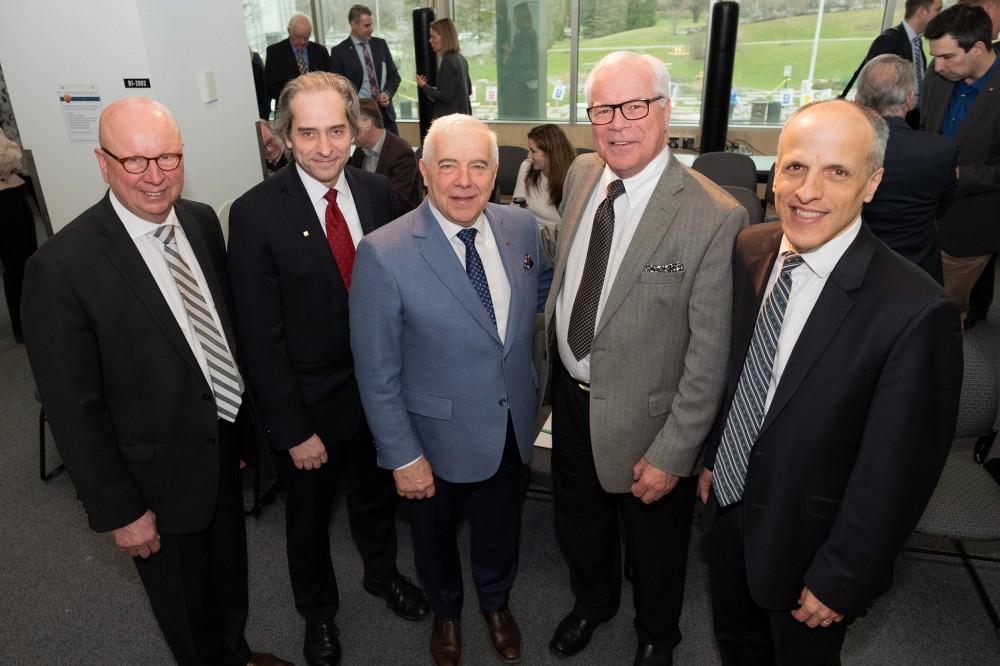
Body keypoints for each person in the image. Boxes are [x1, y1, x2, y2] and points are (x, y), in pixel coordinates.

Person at [20, 98, 291, 666]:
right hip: (152, 485)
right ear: (102, 162)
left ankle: (236, 655)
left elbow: (216, 331)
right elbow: (73, 410)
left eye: (167, 157)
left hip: (218, 451)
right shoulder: (61, 267)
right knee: (187, 613)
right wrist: (120, 510)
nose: (155, 176)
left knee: (229, 581)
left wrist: (237, 434)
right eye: (135, 161)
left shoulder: (197, 220)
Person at [698, 98, 962, 665]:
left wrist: (842, 577)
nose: (807, 190)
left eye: (836, 171)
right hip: (730, 512)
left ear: (872, 184)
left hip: (812, 550)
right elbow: (741, 370)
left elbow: (897, 472)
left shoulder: (915, 312)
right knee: (736, 645)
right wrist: (718, 454)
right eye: (795, 167)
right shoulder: (750, 248)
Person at [543, 52, 747, 666]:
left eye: (634, 107)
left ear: (665, 111)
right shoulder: (582, 173)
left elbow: (708, 357)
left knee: (656, 546)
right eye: (603, 109)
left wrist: (674, 453)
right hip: (572, 401)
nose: (617, 124)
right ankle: (593, 602)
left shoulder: (713, 214)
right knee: (579, 521)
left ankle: (658, 634)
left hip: (651, 423)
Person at [227, 73, 429, 666]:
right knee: (310, 524)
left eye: (336, 130)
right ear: (285, 137)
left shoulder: (374, 192)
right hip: (310, 411)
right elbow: (260, 339)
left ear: (355, 130)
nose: (324, 146)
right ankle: (318, 615)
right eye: (307, 132)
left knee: (374, 500)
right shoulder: (255, 213)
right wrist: (291, 430)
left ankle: (382, 575)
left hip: (379, 400)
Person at [350, 113, 552, 666]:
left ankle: (495, 603)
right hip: (430, 442)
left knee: (500, 530)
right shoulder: (384, 252)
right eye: (448, 166)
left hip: (510, 426)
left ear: (495, 174)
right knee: (435, 543)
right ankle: (446, 613)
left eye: (478, 166)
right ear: (423, 171)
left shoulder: (522, 229)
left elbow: (535, 302)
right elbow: (377, 371)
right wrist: (401, 455)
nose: (464, 180)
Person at [921, 3, 1000, 324]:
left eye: (947, 57)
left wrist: (958, 175)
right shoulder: (937, 74)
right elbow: (926, 130)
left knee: (946, 313)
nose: (938, 67)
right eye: (934, 56)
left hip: (970, 227)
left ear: (978, 48)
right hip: (924, 221)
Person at [855, 54, 956, 284]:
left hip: (851, 261)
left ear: (857, 99)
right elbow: (943, 203)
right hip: (917, 267)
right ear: (909, 99)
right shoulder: (941, 150)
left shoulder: (839, 147)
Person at [843, 0, 942, 126]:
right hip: (888, 123)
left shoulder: (917, 44)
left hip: (910, 120)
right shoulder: (890, 39)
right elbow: (872, 85)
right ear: (922, 12)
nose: (940, 15)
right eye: (937, 10)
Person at [330, 4, 402, 135]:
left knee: (395, 152)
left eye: (371, 24)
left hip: (385, 114)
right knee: (368, 154)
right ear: (353, 25)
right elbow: (337, 88)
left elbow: (394, 76)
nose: (371, 29)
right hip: (360, 115)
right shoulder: (340, 52)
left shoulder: (380, 45)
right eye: (366, 26)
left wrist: (387, 92)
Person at [510, 123, 575, 264]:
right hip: (527, 238)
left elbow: (570, 228)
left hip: (557, 245)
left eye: (533, 151)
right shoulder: (527, 167)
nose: (529, 155)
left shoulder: (573, 177)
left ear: (550, 153)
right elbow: (516, 210)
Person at [350, 98, 421, 215]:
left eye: (351, 126)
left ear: (367, 123)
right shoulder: (359, 152)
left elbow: (395, 204)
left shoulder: (401, 153)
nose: (349, 132)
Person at [0, 129, 36, 343]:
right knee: (15, 263)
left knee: (29, 256)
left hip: (13, 191)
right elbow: (4, 159)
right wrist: (10, 158)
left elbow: (14, 148)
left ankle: (33, 317)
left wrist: (10, 157)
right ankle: (22, 326)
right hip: (3, 201)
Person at [265, 13, 331, 107]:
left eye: (306, 37)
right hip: (288, 109)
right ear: (289, 31)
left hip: (318, 106)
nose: (302, 42)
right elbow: (271, 86)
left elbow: (329, 80)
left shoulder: (320, 51)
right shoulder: (275, 52)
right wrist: (297, 98)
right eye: (298, 37)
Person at [416, 19, 472, 120]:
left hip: (449, 123)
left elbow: (445, 97)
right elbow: (468, 90)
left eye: (433, 37)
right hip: (462, 120)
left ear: (445, 38)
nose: (430, 40)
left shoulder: (448, 61)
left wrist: (425, 87)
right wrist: (435, 92)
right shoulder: (461, 58)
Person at [501, 3, 540, 119]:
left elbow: (522, 61)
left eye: (514, 15)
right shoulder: (531, 32)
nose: (513, 18)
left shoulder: (521, 35)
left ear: (520, 16)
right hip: (529, 83)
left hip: (521, 87)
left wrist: (508, 55)